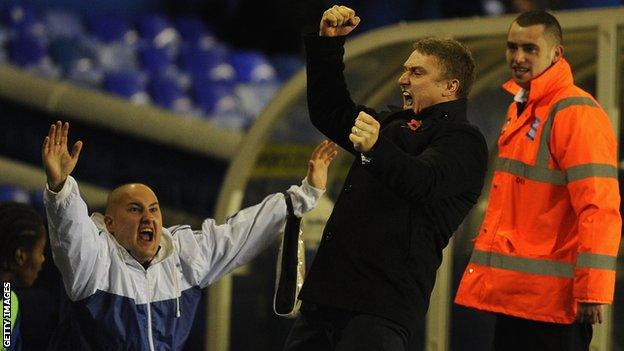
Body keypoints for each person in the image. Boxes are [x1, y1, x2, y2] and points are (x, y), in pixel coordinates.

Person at [283, 5, 488, 350]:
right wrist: (328, 45)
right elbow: (330, 110)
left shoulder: (464, 141)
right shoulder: (391, 125)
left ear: (450, 86)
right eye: (405, 70)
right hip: (327, 298)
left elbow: (423, 180)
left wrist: (377, 148)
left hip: (380, 309)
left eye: (417, 73)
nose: (402, 79)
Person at [40, 120, 337, 350]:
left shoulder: (181, 255)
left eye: (154, 210)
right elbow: (71, 234)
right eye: (135, 209)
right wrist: (61, 186)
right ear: (110, 223)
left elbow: (240, 232)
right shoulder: (95, 262)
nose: (148, 217)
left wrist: (305, 194)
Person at [454, 10, 621, 351]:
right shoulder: (524, 108)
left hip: (553, 309)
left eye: (530, 49)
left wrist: (593, 291)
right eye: (512, 47)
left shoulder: (575, 112)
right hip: (518, 300)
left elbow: (599, 207)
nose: (518, 57)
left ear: (556, 54)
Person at [0, 202, 47, 351]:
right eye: (40, 252)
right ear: (21, 256)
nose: (42, 259)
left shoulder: (8, 297)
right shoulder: (8, 300)